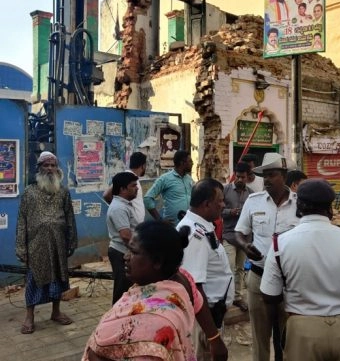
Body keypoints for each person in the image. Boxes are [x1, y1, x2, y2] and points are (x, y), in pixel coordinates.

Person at [261, 179, 340, 361]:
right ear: (330, 208)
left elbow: (269, 296)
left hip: (303, 331)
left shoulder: (280, 243)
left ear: (298, 206)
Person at [82, 221, 228, 361]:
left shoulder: (156, 323)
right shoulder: (181, 278)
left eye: (133, 252)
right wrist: (214, 339)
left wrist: (94, 354)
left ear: (157, 262)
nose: (126, 257)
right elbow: (199, 303)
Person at [235, 153, 299, 361]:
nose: (268, 180)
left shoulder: (300, 205)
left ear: (284, 175)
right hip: (258, 277)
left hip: (289, 281)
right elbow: (240, 232)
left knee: (288, 336)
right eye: (266, 175)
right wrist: (246, 246)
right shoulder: (253, 202)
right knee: (260, 337)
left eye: (273, 175)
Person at [15, 151, 77, 334]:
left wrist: (72, 241)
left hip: (58, 244)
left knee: (58, 278)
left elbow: (70, 218)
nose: (50, 169)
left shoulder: (63, 192)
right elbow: (21, 221)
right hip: (36, 246)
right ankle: (29, 317)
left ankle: (56, 312)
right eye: (46, 165)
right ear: (39, 168)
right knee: (34, 280)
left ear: (57, 168)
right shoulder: (29, 192)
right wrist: (21, 246)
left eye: (53, 165)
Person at [177, 178, 235, 361]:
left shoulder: (202, 227)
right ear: (206, 204)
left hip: (211, 315)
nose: (223, 204)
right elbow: (194, 287)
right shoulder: (196, 236)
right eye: (220, 200)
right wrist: (214, 337)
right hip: (204, 320)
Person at [222, 161, 253, 312]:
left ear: (248, 177)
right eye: (238, 176)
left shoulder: (252, 194)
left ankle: (237, 297)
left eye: (243, 177)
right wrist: (230, 212)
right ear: (235, 175)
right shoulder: (225, 190)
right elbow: (218, 211)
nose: (240, 180)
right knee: (228, 267)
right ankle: (225, 297)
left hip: (244, 238)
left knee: (240, 269)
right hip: (228, 235)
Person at [106, 171, 140, 304]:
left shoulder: (124, 204)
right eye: (133, 185)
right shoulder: (119, 208)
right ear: (122, 189)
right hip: (121, 253)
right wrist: (140, 250)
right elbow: (126, 236)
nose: (137, 188)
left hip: (125, 251)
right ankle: (115, 320)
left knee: (128, 289)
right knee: (122, 291)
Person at [144, 150, 194, 224]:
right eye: (190, 161)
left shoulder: (189, 179)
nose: (192, 163)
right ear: (182, 163)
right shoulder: (165, 179)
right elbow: (147, 198)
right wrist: (159, 219)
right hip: (172, 227)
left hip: (189, 225)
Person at [102, 151, 147, 224]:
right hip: (129, 225)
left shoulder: (133, 178)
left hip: (136, 226)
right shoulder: (127, 177)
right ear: (143, 166)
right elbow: (106, 195)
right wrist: (120, 211)